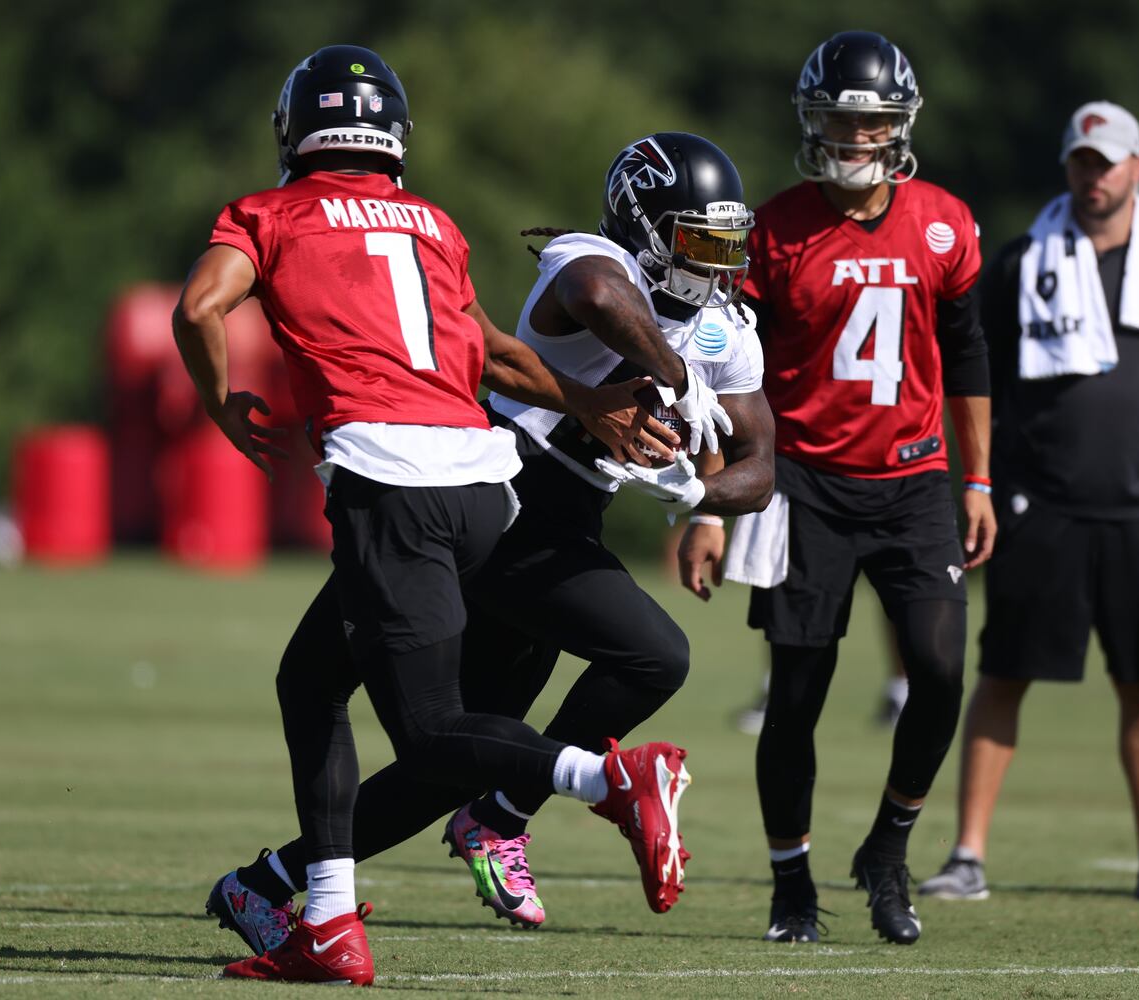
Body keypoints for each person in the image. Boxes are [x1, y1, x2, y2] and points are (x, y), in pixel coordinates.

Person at [173, 46, 696, 985]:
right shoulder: (430, 223)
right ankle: (323, 917)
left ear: (294, 130)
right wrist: (586, 404)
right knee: (310, 682)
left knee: (429, 732)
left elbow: (199, 307)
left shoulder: (269, 212)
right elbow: (491, 352)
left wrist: (218, 404)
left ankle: (608, 777)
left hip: (391, 483)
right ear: (393, 135)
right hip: (485, 485)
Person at [681, 30, 996, 946]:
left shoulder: (944, 222)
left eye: (871, 121)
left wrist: (977, 478)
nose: (854, 137)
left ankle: (888, 849)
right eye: (837, 119)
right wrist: (711, 501)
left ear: (899, 125)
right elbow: (723, 373)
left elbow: (968, 356)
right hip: (801, 486)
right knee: (796, 693)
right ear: (810, 120)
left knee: (939, 670)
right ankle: (791, 887)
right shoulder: (770, 232)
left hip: (912, 480)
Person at [918, 101, 1139, 909]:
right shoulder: (1021, 260)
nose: (1091, 176)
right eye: (1079, 161)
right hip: (1039, 504)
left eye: (1106, 161)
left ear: (1137, 167)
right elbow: (976, 367)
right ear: (1066, 166)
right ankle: (966, 856)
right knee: (1004, 672)